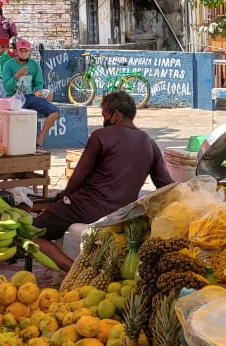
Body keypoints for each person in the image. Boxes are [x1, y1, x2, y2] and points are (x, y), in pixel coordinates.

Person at [32, 91, 173, 270]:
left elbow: (79, 176)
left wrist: (63, 196)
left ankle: (75, 269)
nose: (103, 120)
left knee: (32, 232)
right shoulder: (150, 143)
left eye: (104, 115)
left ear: (116, 116)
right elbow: (166, 186)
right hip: (121, 214)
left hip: (86, 208)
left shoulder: (101, 136)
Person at [1, 39, 59, 148]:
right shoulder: (8, 65)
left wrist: (39, 92)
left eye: (26, 51)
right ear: (16, 51)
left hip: (31, 96)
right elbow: (7, 88)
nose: (23, 53)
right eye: (21, 50)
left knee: (54, 111)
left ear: (29, 52)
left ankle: (39, 141)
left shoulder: (34, 65)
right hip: (14, 98)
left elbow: (39, 83)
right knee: (16, 117)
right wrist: (17, 76)